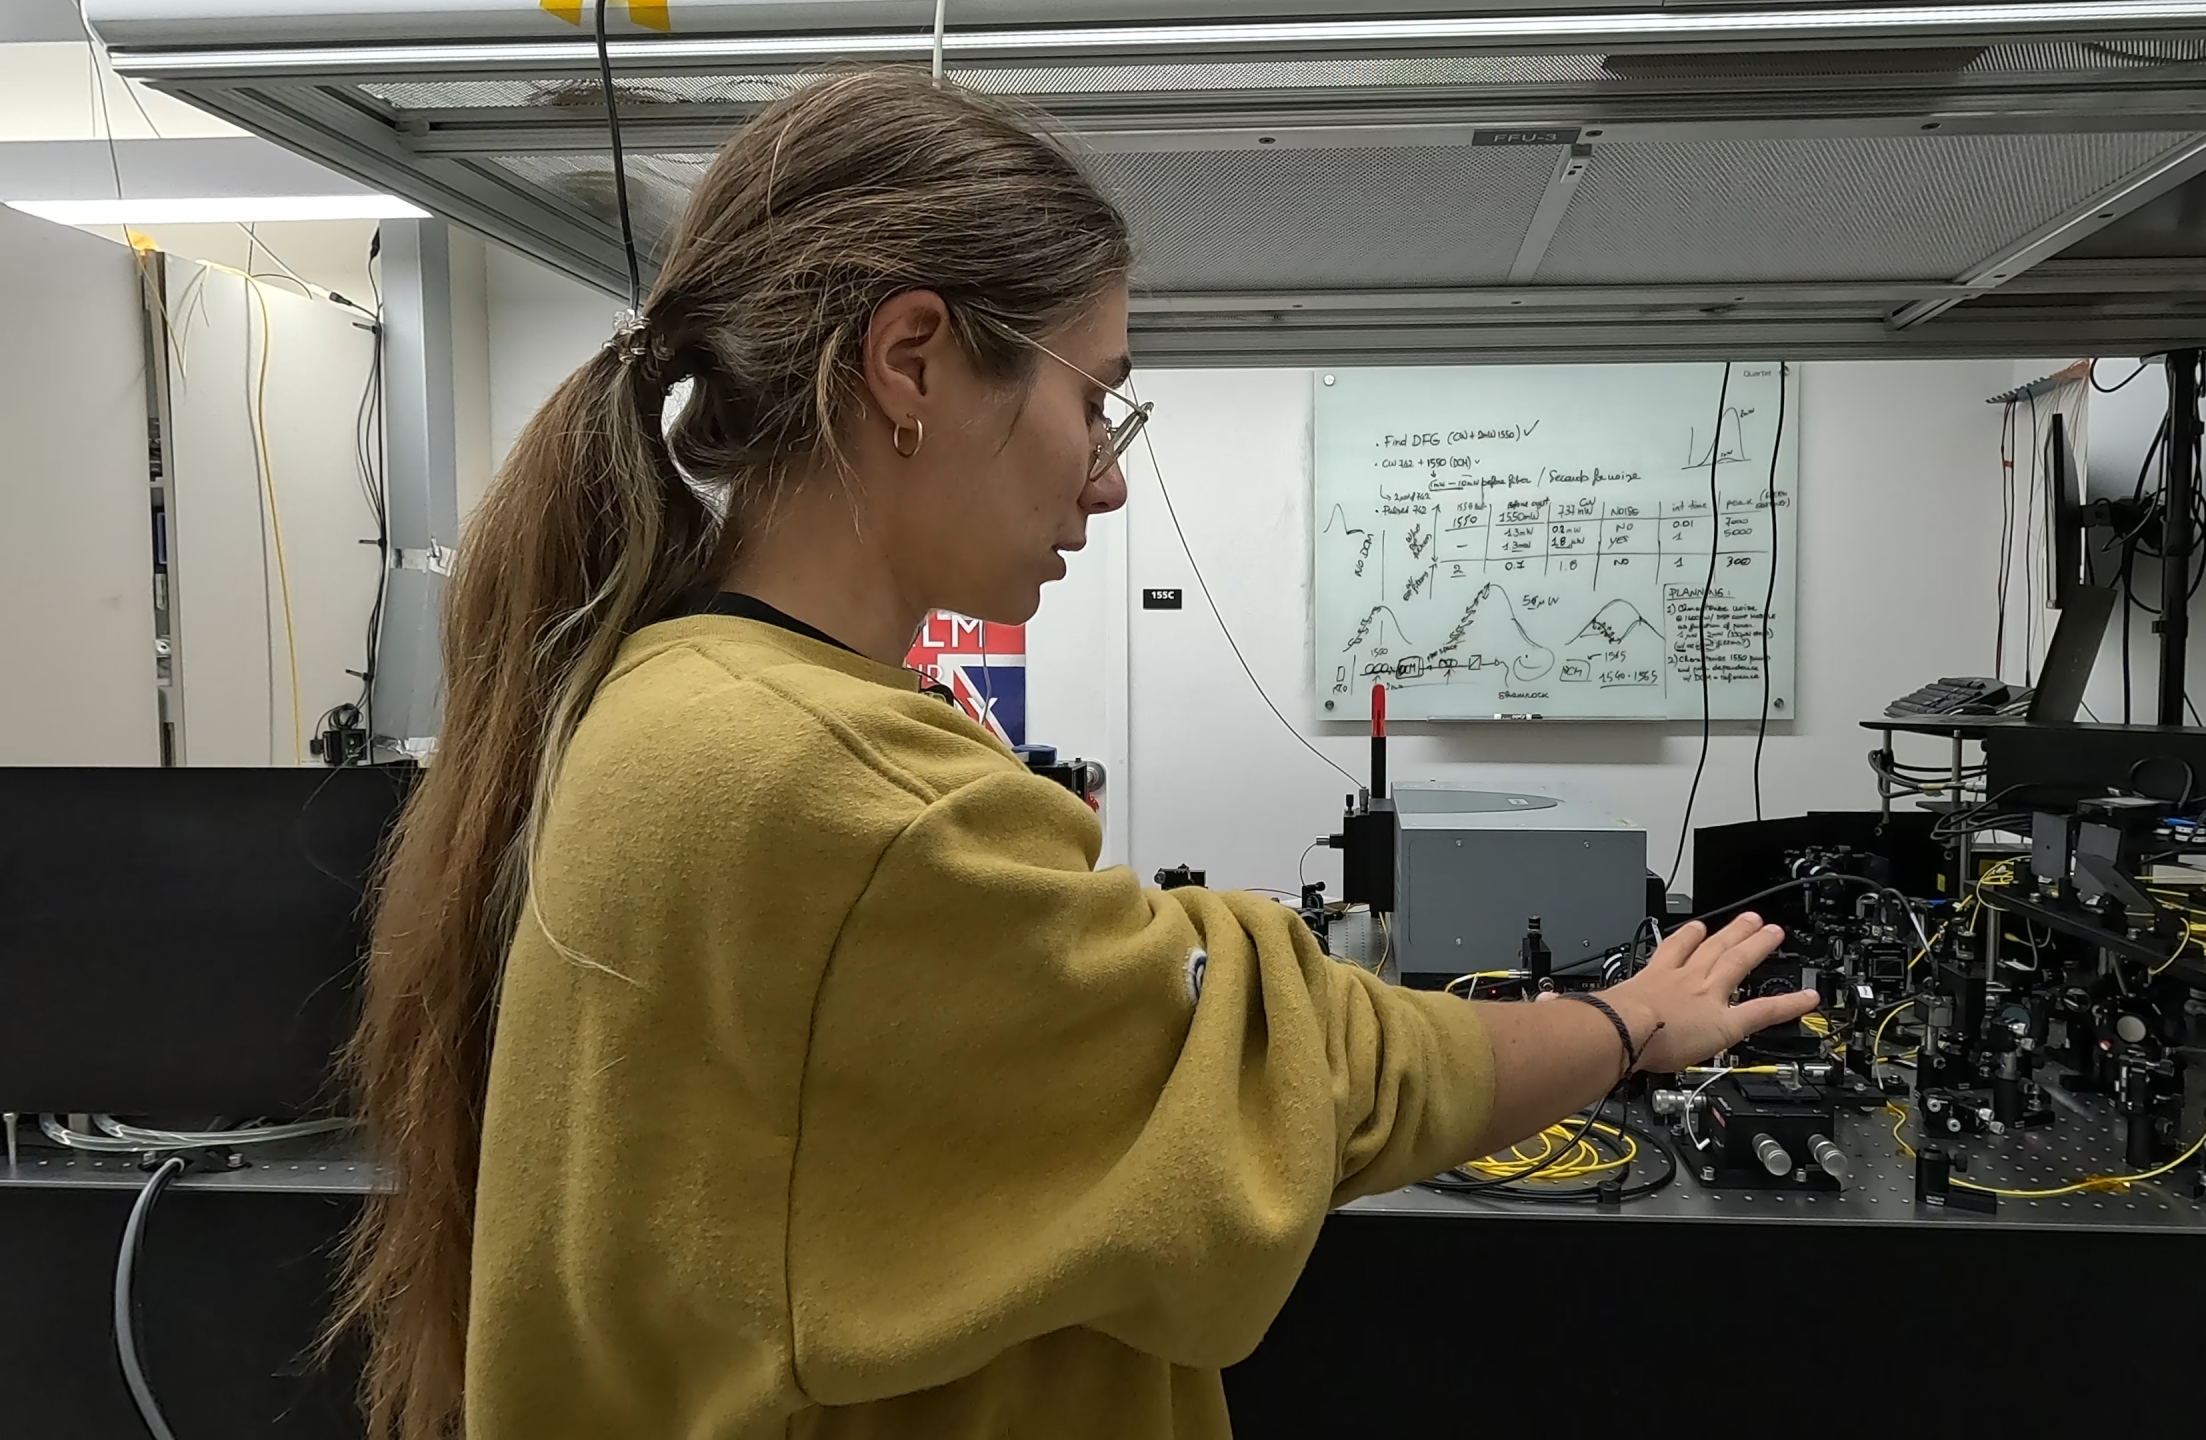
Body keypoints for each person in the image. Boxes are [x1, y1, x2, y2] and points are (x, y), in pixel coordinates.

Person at [338, 67, 1816, 1440]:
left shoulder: (671, 694)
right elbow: (1331, 1075)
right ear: (910, 360)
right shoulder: (831, 788)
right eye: (1094, 399)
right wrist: (1629, 1025)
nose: (1107, 478)